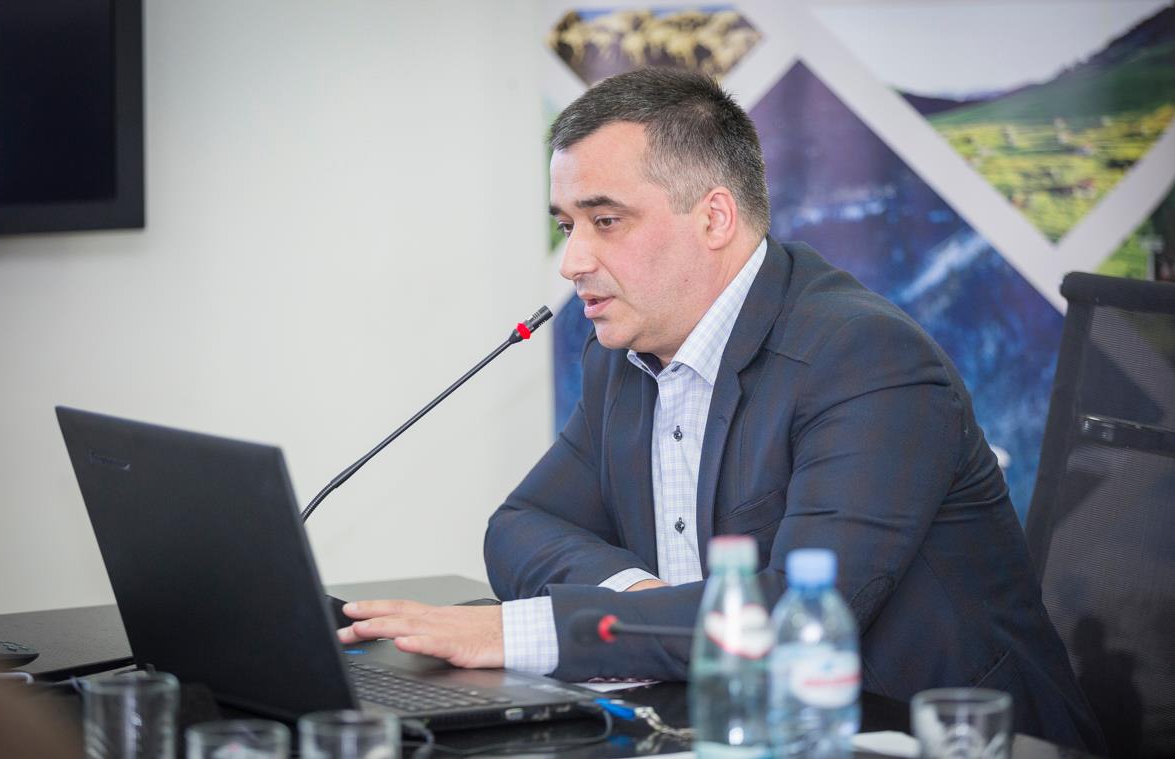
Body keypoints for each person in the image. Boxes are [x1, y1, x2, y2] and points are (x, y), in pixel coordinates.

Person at [339, 68, 1103, 751]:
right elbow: (520, 526)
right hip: (730, 724)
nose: (572, 261)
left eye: (605, 220)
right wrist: (642, 602)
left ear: (713, 218)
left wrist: (529, 629)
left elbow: (793, 617)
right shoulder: (622, 356)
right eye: (565, 225)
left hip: (940, 736)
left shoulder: (865, 358)